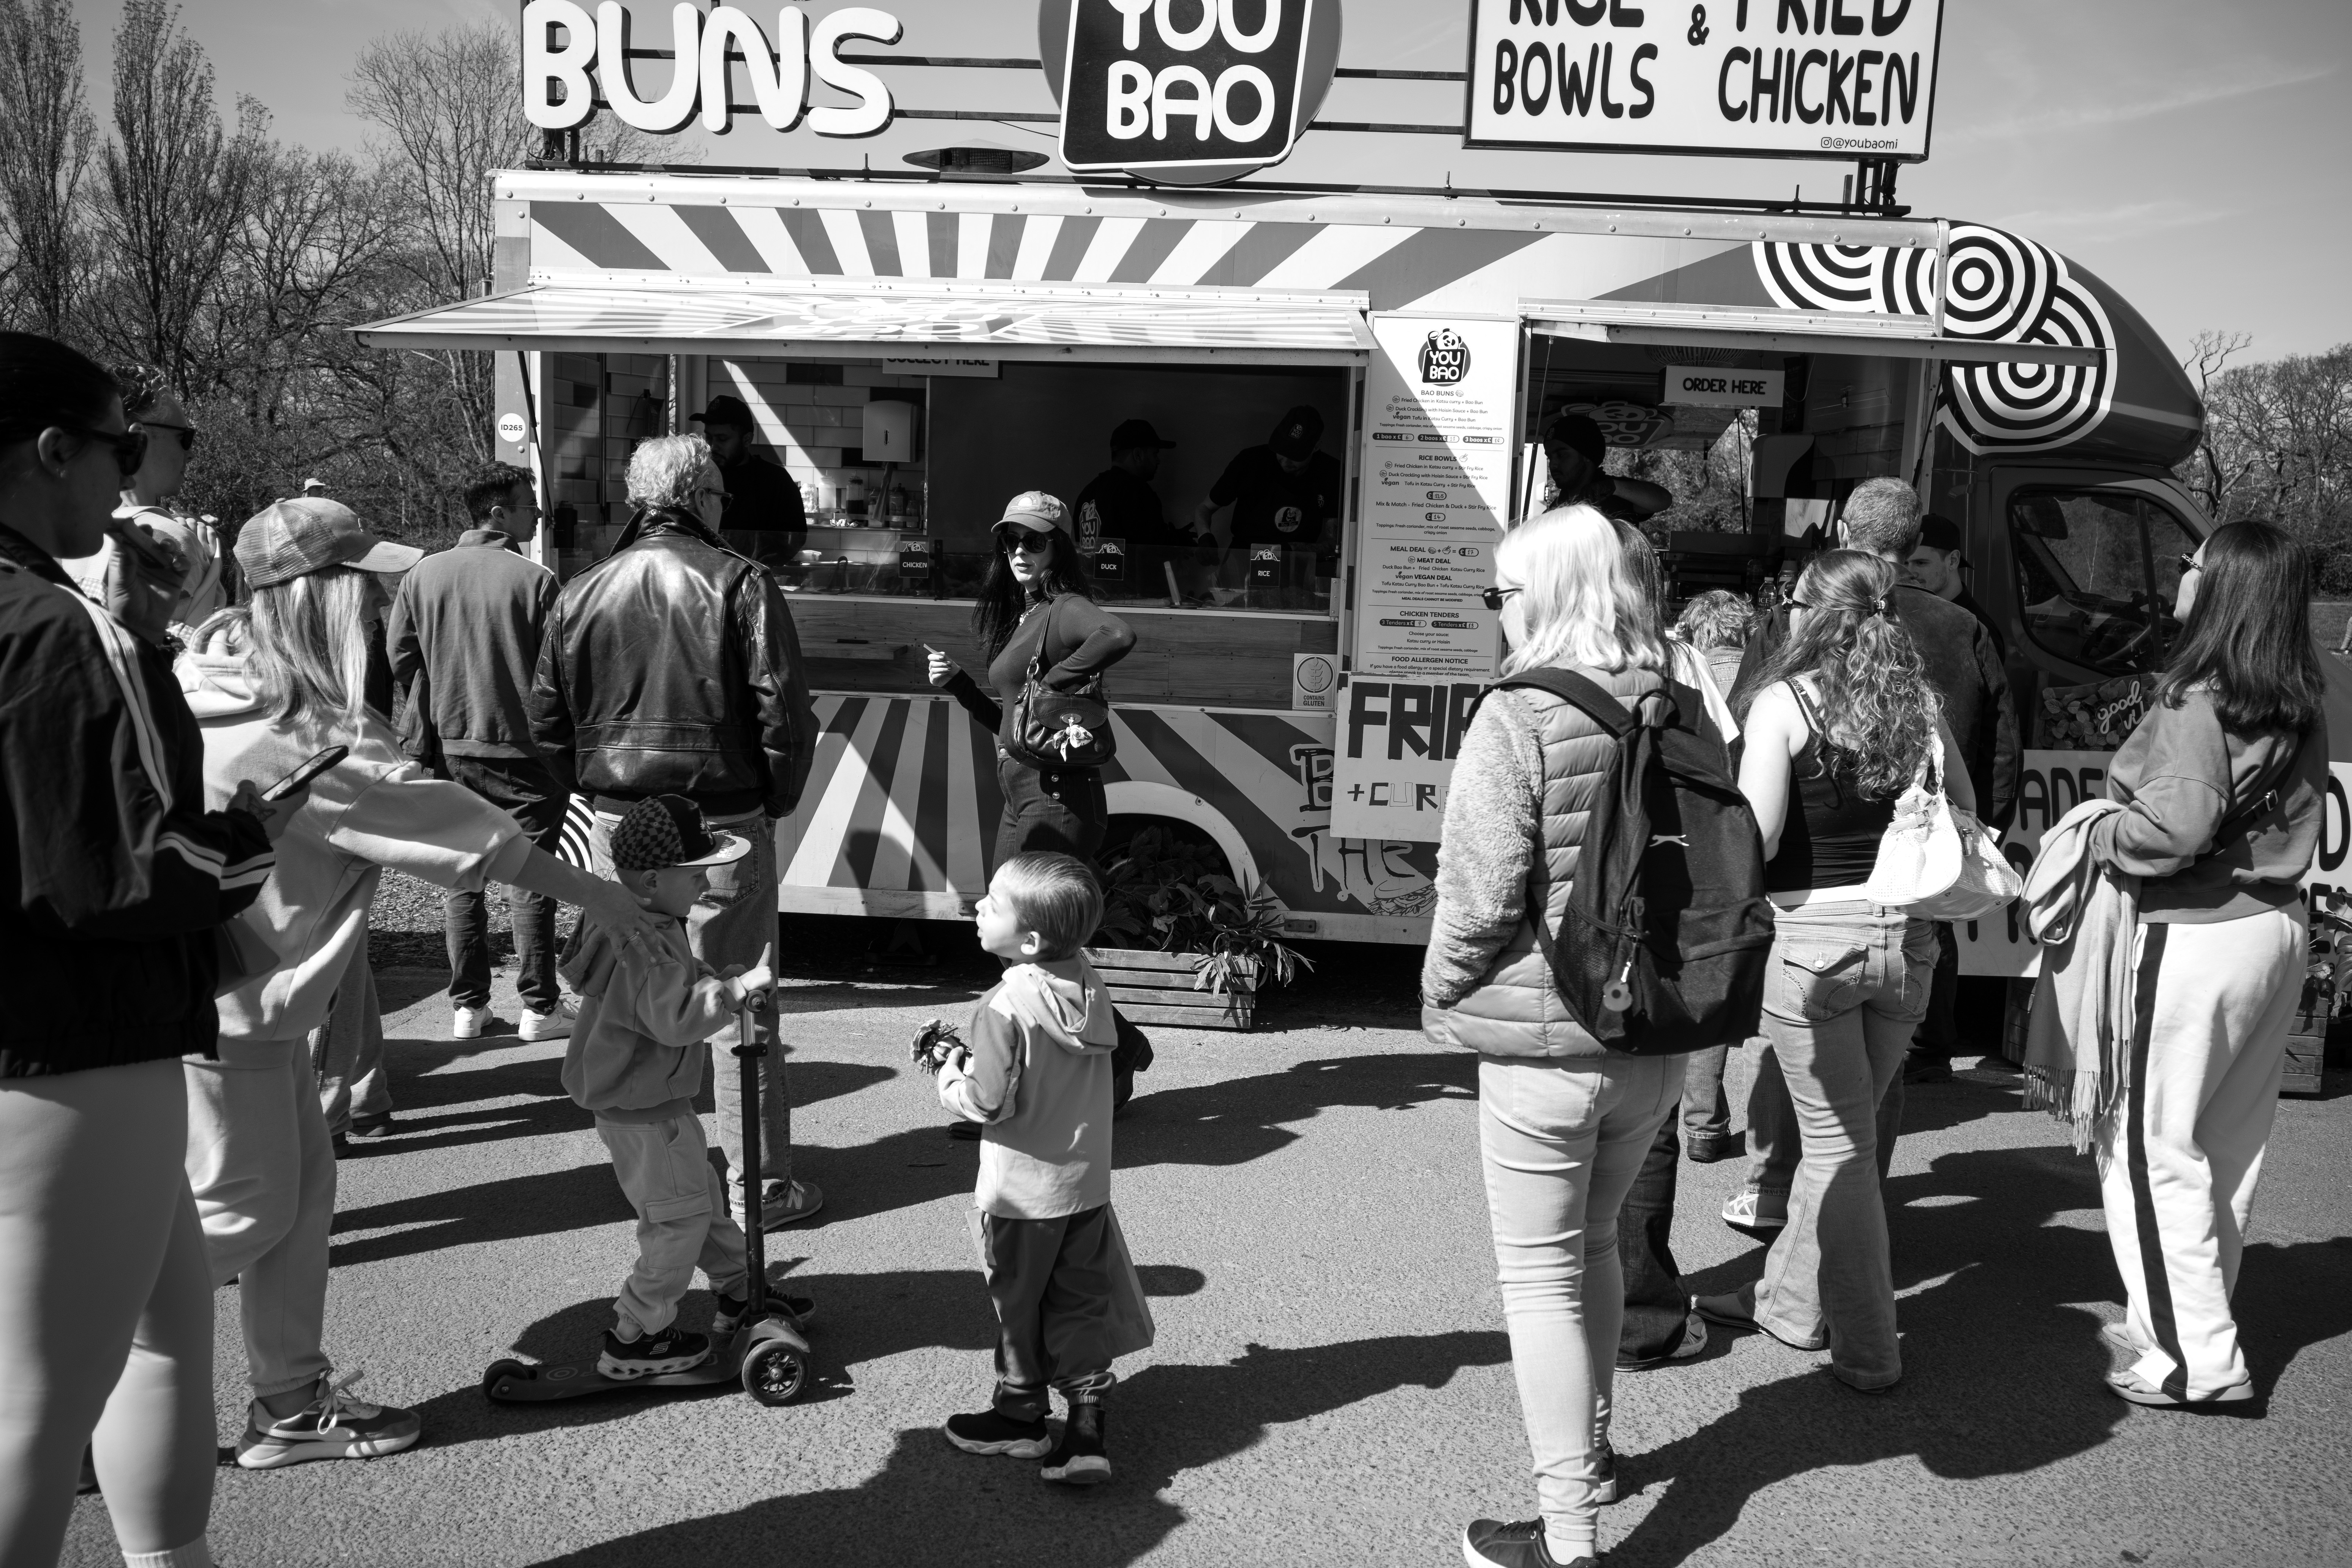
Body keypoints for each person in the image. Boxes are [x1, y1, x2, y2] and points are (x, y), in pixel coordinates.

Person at [177, 497, 660, 1470]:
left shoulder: (214, 670)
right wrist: (601, 898)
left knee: (299, 1197)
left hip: (222, 1000)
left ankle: (288, 1401)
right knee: (238, 1214)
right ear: (324, 598)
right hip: (223, 1008)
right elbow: (459, 832)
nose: (380, 612)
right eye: (365, 588)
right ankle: (60, 1386)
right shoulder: (302, 732)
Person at [0, 332, 284, 1568]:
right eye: (121, 447)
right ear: (52, 450)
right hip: (72, 1035)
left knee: (162, 1326)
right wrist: (258, 827)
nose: (128, 480)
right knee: (40, 1395)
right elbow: (131, 867)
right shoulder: (54, 621)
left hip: (54, 1035)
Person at [1428, 506, 1705, 1568]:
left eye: (1502, 595)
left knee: (1539, 1279)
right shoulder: (1680, 701)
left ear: (1541, 596)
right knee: (1593, 1249)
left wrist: (1440, 990)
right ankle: (1588, 1455)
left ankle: (1569, 1533)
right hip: (1659, 1035)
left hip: (1547, 1044)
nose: (1498, 614)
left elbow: (1483, 889)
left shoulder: (1520, 714)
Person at [1695, 550, 1976, 1396]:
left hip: (1813, 939)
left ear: (1809, 614)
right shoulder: (1918, 705)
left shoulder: (1784, 704)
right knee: (1843, 1143)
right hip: (1907, 943)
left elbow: (1762, 837)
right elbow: (1962, 806)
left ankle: (1868, 1346)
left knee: (1841, 1147)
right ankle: (1786, 1300)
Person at [533, 432, 821, 1234]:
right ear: (699, 498)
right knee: (739, 1005)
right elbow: (785, 718)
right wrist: (775, 802)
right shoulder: (742, 583)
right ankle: (757, 1188)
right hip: (719, 822)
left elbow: (545, 724)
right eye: (723, 496)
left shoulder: (581, 589)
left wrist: (582, 803)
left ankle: (659, 1178)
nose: (727, 509)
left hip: (618, 825)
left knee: (633, 995)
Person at [2074, 520, 2325, 1406]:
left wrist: (2100, 828)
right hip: (2274, 928)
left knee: (2148, 1148)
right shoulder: (2294, 691)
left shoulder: (2194, 698)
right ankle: (2174, 1324)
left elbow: (2172, 829)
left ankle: (2191, 1355)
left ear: (2216, 583)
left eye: (2189, 564)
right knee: (2221, 1150)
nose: (2178, 574)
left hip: (2193, 930)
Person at [1726, 477, 2018, 1232]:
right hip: (1913, 907)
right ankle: (1848, 1237)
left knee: (1808, 1096)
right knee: (1867, 1106)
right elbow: (1995, 767)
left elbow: (1744, 775)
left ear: (1844, 527)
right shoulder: (1960, 630)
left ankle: (1781, 1204)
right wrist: (1948, 860)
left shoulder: (1787, 642)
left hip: (1807, 914)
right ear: (1916, 541)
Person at [558, 794, 811, 1380]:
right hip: (644, 1109)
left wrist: (712, 978)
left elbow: (666, 988)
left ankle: (737, 1292)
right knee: (676, 1222)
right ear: (652, 878)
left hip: (647, 1100)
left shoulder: (642, 919)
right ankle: (636, 1336)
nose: (705, 884)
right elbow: (672, 1015)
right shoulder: (644, 940)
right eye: (696, 874)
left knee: (701, 1203)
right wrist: (735, 989)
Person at [937, 852, 1125, 1486]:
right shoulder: (1089, 980)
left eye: (993, 903)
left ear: (1030, 939)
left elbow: (986, 1100)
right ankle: (1086, 1426)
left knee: (1019, 1307)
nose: (979, 907)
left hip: (1020, 1194)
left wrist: (945, 1070)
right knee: (1077, 1304)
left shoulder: (1002, 1004)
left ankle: (1019, 1417)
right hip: (1085, 1186)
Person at [386, 462, 572, 1045]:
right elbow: (560, 670)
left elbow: (400, 655)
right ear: (498, 513)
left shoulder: (423, 575)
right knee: (532, 879)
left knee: (461, 879)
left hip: (452, 746)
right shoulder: (535, 580)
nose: (536, 515)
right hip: (525, 751)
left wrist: (439, 696)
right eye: (528, 506)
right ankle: (539, 1007)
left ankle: (468, 1006)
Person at [928, 492, 1136, 866]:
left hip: (1056, 797)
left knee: (1028, 918)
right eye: (1011, 541)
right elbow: (1016, 726)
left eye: (1034, 541)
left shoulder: (1064, 607)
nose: (1020, 552)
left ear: (1058, 547)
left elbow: (1118, 634)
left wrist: (1053, 683)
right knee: (1010, 912)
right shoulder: (1026, 616)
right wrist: (959, 684)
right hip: (1025, 795)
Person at [1668, 588, 1754, 1165]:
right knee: (1719, 963)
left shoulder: (1677, 670)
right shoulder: (1765, 679)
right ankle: (1704, 1122)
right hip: (1738, 839)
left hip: (1677, 833)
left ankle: (1683, 1114)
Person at [61, 365, 221, 635]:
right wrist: (206, 560)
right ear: (141, 436)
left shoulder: (66, 538)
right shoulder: (170, 538)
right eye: (184, 437)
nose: (191, 453)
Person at [1193, 404, 1342, 602]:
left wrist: (1288, 549)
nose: (1285, 460)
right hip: (1243, 561)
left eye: (1295, 455)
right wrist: (1205, 537)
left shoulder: (1331, 474)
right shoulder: (1251, 462)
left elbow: (1334, 545)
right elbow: (1204, 508)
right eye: (1281, 451)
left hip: (1296, 568)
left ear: (1316, 447)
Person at [689, 393, 808, 570]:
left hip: (755, 580)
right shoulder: (695, 478)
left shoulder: (776, 482)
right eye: (709, 438)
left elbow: (792, 540)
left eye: (722, 439)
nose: (712, 446)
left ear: (747, 439)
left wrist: (752, 571)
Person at [1900, 512, 2006, 655]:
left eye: (1921, 563)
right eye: (1906, 563)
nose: (1911, 572)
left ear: (1953, 561)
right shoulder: (1905, 616)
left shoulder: (1979, 632)